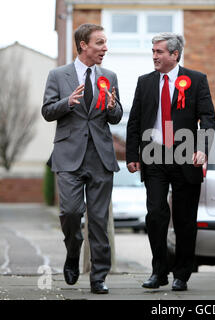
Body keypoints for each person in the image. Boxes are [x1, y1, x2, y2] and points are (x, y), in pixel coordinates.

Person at [126, 32, 215, 291]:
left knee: (185, 218)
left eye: (159, 52)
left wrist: (203, 149)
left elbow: (207, 118)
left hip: (186, 157)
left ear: (174, 55)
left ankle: (182, 274)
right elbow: (135, 121)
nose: (154, 56)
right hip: (154, 156)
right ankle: (159, 271)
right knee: (155, 214)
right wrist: (133, 155)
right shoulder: (145, 83)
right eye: (153, 52)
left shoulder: (196, 80)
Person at [42, 23, 123, 294]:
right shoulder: (58, 75)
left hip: (100, 156)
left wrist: (113, 107)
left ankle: (99, 276)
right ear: (83, 45)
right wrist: (67, 102)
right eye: (99, 43)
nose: (105, 48)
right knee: (71, 212)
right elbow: (47, 111)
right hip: (68, 156)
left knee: (99, 219)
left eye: (105, 42)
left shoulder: (109, 76)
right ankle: (72, 252)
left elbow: (116, 115)